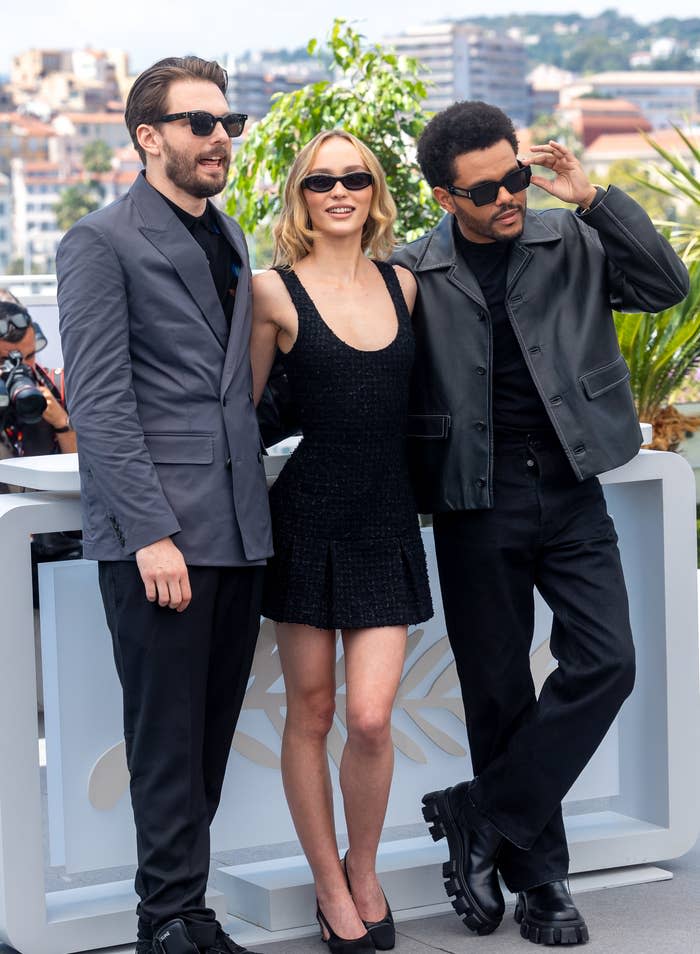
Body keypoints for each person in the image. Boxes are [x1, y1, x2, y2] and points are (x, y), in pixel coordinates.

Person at [392, 100, 689, 947]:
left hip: (570, 489)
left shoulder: (573, 237)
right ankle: (543, 880)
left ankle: (480, 814)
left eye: (516, 176)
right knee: (498, 692)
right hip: (473, 500)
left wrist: (593, 198)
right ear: (445, 196)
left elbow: (666, 285)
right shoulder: (414, 272)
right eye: (485, 190)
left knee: (609, 661)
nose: (508, 198)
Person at [56, 56, 271, 954]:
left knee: (211, 734)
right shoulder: (98, 241)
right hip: (161, 536)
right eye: (199, 123)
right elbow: (100, 404)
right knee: (166, 738)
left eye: (229, 122)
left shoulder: (231, 238)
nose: (220, 137)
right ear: (149, 137)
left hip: (239, 528)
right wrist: (150, 533)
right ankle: (167, 920)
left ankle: (188, 905)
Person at [251, 129, 433, 954]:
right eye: (321, 178)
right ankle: (331, 887)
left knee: (368, 717)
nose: (339, 190)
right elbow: (243, 419)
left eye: (355, 177)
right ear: (301, 193)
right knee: (314, 711)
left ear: (374, 191)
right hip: (308, 516)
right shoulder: (272, 293)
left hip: (386, 513)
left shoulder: (406, 285)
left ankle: (366, 869)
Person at [0, 292, 76, 466]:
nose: (22, 368)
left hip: (48, 492)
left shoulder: (61, 387)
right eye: (5, 361)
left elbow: (82, 476)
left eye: (30, 355)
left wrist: (62, 423)